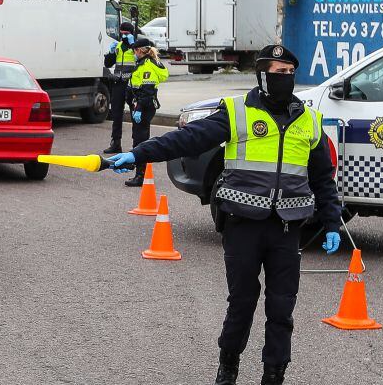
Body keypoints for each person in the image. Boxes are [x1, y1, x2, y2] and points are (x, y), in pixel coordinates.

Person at [105, 44, 342, 385]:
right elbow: (188, 139)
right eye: (278, 73)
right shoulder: (237, 112)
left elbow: (322, 177)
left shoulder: (309, 121)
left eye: (289, 73)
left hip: (287, 229)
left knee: (282, 309)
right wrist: (138, 154)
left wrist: (332, 220)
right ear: (262, 75)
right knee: (242, 303)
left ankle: (274, 375)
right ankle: (228, 367)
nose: (285, 79)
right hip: (243, 224)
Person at [122, 37, 169, 187]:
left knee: (140, 140)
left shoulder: (147, 66)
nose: (133, 53)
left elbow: (147, 91)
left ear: (139, 51)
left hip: (144, 106)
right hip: (140, 105)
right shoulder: (142, 63)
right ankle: (138, 167)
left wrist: (139, 108)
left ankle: (141, 175)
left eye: (134, 51)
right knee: (138, 137)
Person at [103, 21, 138, 154]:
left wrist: (133, 45)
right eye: (122, 33)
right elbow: (107, 63)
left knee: (135, 115)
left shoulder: (136, 47)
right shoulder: (117, 46)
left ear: (132, 34)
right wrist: (111, 52)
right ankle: (115, 143)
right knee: (116, 114)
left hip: (132, 85)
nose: (124, 36)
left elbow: (141, 60)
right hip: (118, 84)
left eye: (126, 33)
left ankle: (136, 144)